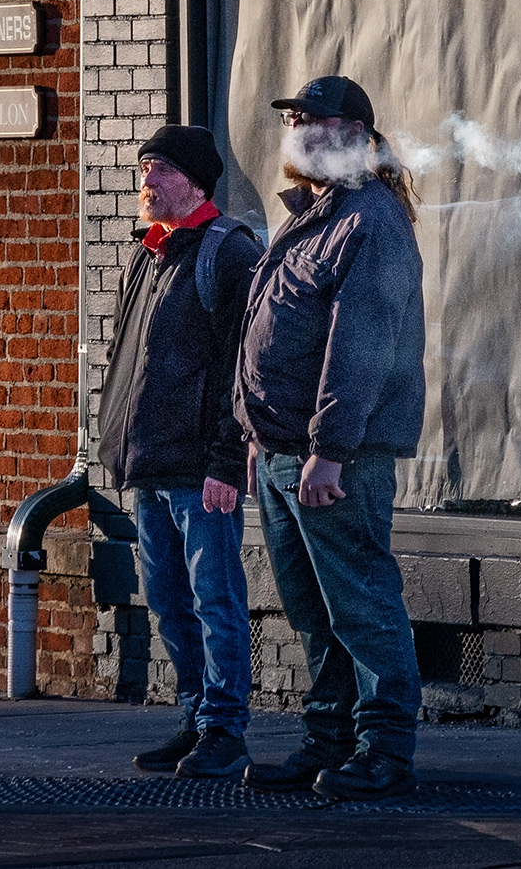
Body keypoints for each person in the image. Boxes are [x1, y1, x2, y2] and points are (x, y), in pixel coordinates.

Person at [232, 75, 427, 801]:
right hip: (284, 453)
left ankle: (384, 752)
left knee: (362, 604)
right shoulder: (310, 213)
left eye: (311, 118)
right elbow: (267, 328)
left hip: (335, 456)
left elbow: (361, 346)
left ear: (353, 133)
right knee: (315, 612)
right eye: (292, 118)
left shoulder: (369, 218)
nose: (296, 128)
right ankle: (328, 742)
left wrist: (330, 449)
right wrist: (257, 436)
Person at [98, 124, 263, 779]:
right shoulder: (150, 252)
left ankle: (225, 730)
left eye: (158, 170)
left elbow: (241, 366)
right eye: (143, 168)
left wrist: (228, 459)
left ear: (194, 182)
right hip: (150, 462)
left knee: (214, 598)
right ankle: (195, 716)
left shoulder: (228, 252)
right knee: (166, 596)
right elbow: (127, 360)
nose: (145, 181)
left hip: (200, 469)